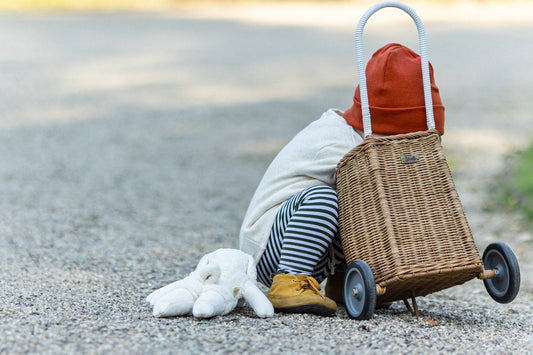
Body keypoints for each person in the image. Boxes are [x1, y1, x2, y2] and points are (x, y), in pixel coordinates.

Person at [239, 43, 445, 316]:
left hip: (310, 248)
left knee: (361, 209)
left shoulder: (362, 138)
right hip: (271, 247)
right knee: (327, 198)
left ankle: (343, 281)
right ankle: (288, 281)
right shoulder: (336, 142)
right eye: (404, 137)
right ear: (384, 126)